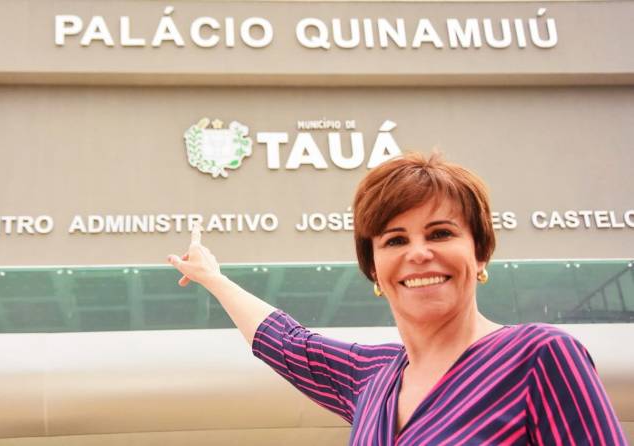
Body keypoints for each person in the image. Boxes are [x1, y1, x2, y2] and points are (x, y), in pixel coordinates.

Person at [167, 152, 626, 445]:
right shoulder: (372, 376)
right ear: (375, 270)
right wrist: (213, 279)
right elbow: (286, 342)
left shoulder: (539, 356)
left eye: (440, 233)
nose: (418, 253)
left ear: (480, 251)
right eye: (395, 240)